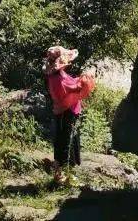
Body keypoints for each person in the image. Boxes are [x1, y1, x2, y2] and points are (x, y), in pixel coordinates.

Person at [44, 45, 95, 185]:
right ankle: (66, 177)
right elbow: (76, 87)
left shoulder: (57, 75)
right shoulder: (58, 79)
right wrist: (87, 76)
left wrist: (81, 78)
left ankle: (61, 175)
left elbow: (72, 83)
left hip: (64, 112)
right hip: (67, 113)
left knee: (64, 141)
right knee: (66, 143)